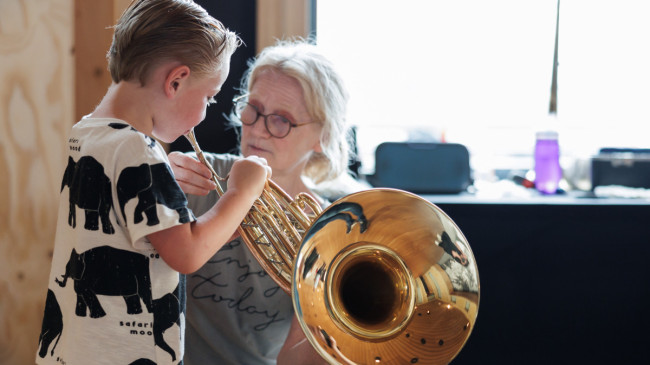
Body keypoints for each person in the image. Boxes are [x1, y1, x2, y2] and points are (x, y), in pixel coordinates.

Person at [35, 1, 271, 364]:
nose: (206, 110)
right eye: (209, 96)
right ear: (176, 81)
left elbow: (142, 235)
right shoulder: (140, 150)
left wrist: (228, 223)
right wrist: (242, 192)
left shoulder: (87, 132)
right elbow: (187, 253)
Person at [168, 39, 368, 364]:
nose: (258, 130)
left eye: (282, 120)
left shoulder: (331, 227)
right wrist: (156, 183)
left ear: (324, 137)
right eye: (254, 109)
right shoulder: (195, 175)